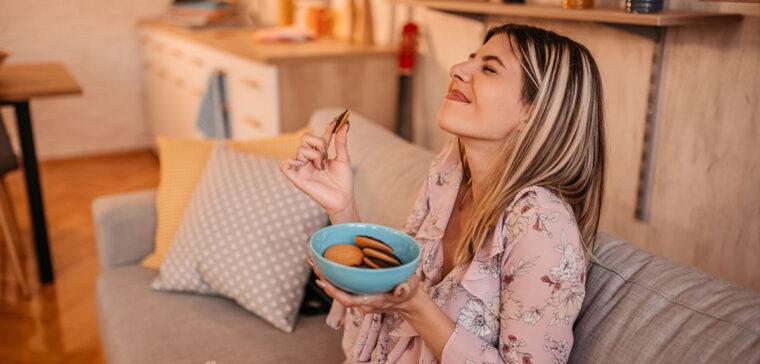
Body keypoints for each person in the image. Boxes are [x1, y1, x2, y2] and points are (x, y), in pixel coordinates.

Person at [279, 23, 606, 364]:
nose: (457, 70)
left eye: (489, 68)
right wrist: (343, 208)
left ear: (534, 112)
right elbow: (381, 317)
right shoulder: (449, 176)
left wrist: (414, 306)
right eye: (471, 59)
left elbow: (404, 301)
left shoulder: (543, 224)